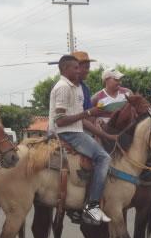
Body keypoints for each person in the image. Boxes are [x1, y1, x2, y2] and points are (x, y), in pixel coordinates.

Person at [49, 55, 118, 225]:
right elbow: (60, 120)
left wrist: (96, 114)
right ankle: (91, 207)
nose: (79, 70)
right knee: (104, 158)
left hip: (77, 130)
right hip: (67, 133)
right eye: (76, 68)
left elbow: (81, 116)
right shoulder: (63, 87)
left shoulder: (78, 88)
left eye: (81, 67)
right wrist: (88, 113)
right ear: (65, 69)